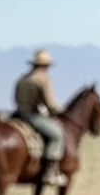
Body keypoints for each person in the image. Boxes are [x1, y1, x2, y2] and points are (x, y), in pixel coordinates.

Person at [13, 49, 67, 187]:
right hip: (32, 116)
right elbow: (50, 103)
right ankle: (50, 173)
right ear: (45, 65)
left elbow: (15, 98)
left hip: (18, 114)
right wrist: (61, 111)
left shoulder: (23, 78)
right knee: (57, 135)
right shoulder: (43, 79)